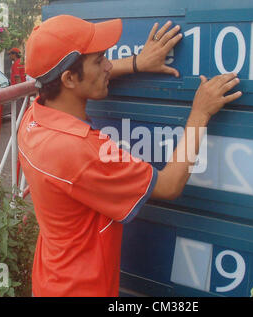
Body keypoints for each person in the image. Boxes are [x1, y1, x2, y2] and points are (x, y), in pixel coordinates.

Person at [18, 15, 241, 297]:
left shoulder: (32, 119)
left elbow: (73, 80)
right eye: (100, 61)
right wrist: (200, 113)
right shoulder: (83, 151)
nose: (109, 65)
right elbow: (169, 185)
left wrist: (137, 63)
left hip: (52, 280)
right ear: (69, 78)